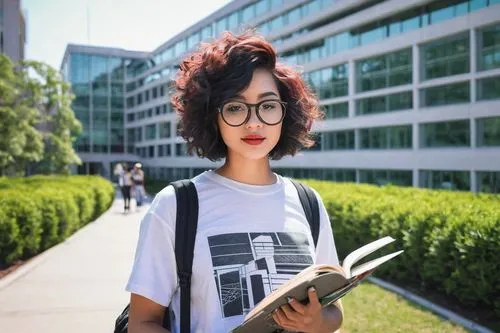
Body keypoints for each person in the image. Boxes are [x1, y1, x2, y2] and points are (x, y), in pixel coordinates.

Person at [126, 30, 343, 333]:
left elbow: (334, 312)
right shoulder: (177, 206)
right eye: (235, 107)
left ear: (285, 113)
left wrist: (316, 321)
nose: (253, 122)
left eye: (268, 105)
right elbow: (142, 323)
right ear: (212, 116)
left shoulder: (308, 203)